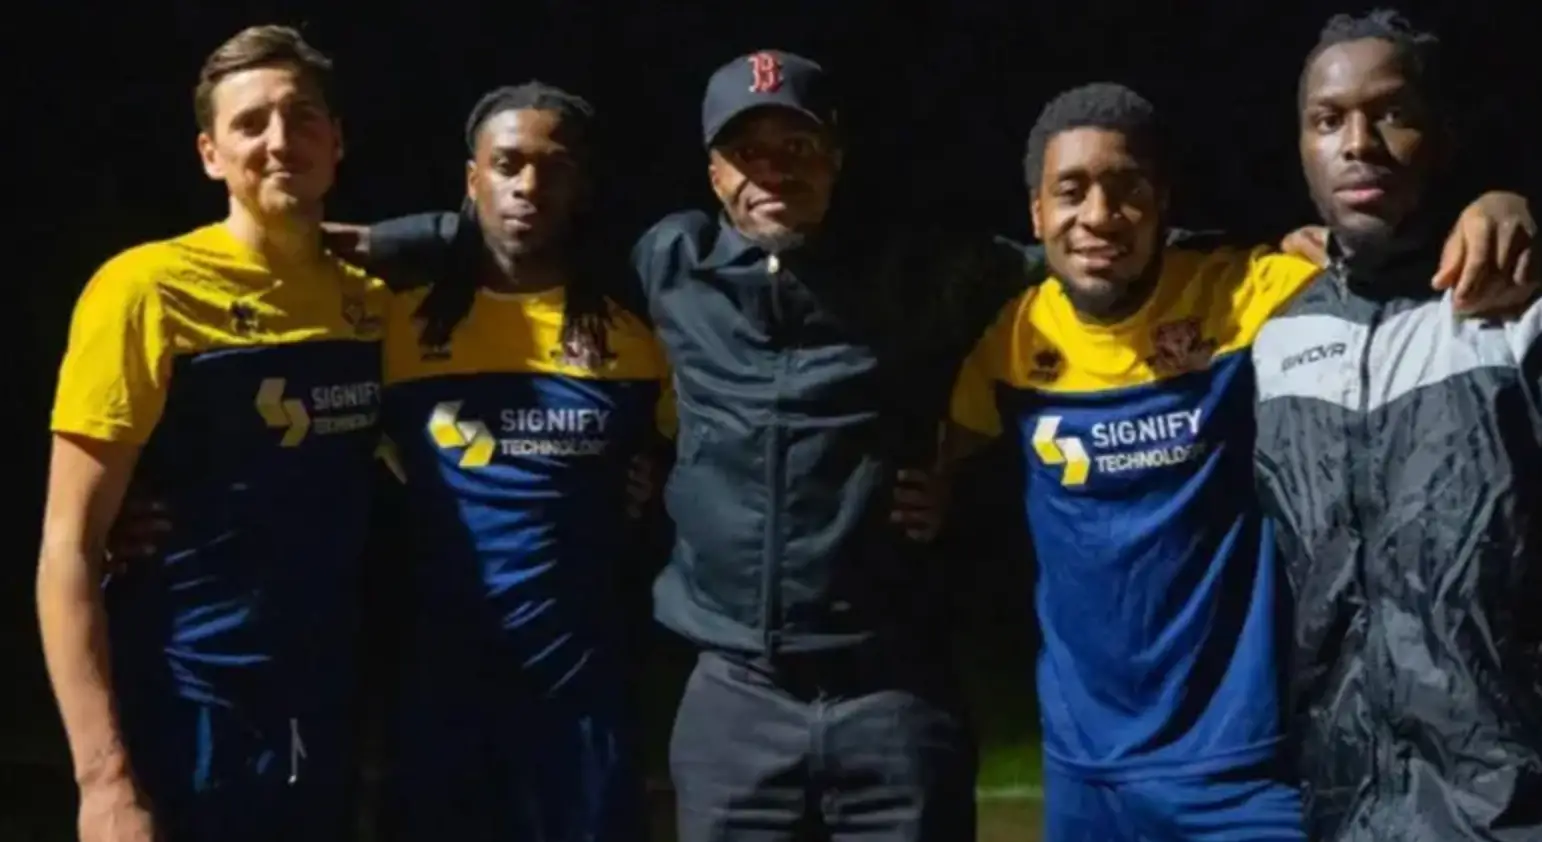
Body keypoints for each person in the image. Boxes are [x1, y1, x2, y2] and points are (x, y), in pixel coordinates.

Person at [942, 81, 1536, 842]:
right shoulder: (1011, 341)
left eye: (1127, 189)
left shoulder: (1253, 293)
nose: (1098, 214)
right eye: (1071, 191)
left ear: (1163, 203)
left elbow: (1390, 257)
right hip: (1083, 775)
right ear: (1036, 214)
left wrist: (1494, 206)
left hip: (1243, 774)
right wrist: (922, 486)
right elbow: (940, 448)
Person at [37, 25, 385, 842]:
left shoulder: (376, 303)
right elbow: (68, 545)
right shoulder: (146, 290)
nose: (280, 140)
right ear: (210, 154)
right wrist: (103, 781)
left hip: (320, 709)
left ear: (336, 140)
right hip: (186, 708)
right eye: (250, 123)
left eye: (302, 117)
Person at [1253, 11, 1541, 841]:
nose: (1358, 143)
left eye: (1392, 114)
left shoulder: (1516, 312)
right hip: (1341, 810)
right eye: (1327, 120)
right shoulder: (1276, 339)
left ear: (1443, 138)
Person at [372, 81, 669, 842]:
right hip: (437, 694)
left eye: (554, 167)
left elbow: (697, 458)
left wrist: (655, 480)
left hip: (580, 695)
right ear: (472, 178)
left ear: (582, 186)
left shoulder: (637, 332)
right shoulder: (394, 322)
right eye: (507, 164)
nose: (528, 185)